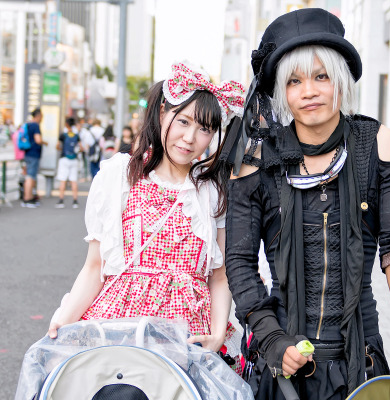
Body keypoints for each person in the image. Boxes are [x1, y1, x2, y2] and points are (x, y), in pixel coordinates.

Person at [220, 8, 390, 399]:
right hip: (283, 365)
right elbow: (238, 261)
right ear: (281, 91)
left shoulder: (378, 144)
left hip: (362, 360)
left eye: (321, 76)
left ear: (340, 79)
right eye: (295, 80)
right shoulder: (256, 158)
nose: (309, 91)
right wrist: (272, 339)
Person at [47, 62, 246, 367]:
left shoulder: (211, 192)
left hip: (188, 337)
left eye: (204, 129)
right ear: (163, 113)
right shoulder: (120, 176)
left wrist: (218, 333)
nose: (190, 138)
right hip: (120, 327)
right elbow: (95, 266)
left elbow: (219, 276)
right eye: (183, 121)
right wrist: (63, 324)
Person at [55, 117, 83, 209]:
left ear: (66, 124)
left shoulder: (63, 135)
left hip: (64, 159)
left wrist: (61, 149)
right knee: (73, 180)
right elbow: (81, 148)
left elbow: (57, 146)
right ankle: (75, 201)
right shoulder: (76, 135)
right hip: (74, 160)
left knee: (63, 180)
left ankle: (61, 200)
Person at [22, 108, 47, 208]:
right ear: (38, 116)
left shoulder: (28, 125)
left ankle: (28, 197)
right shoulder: (35, 126)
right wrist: (44, 142)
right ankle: (27, 199)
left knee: (29, 175)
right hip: (33, 154)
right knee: (30, 176)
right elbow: (38, 140)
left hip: (27, 153)